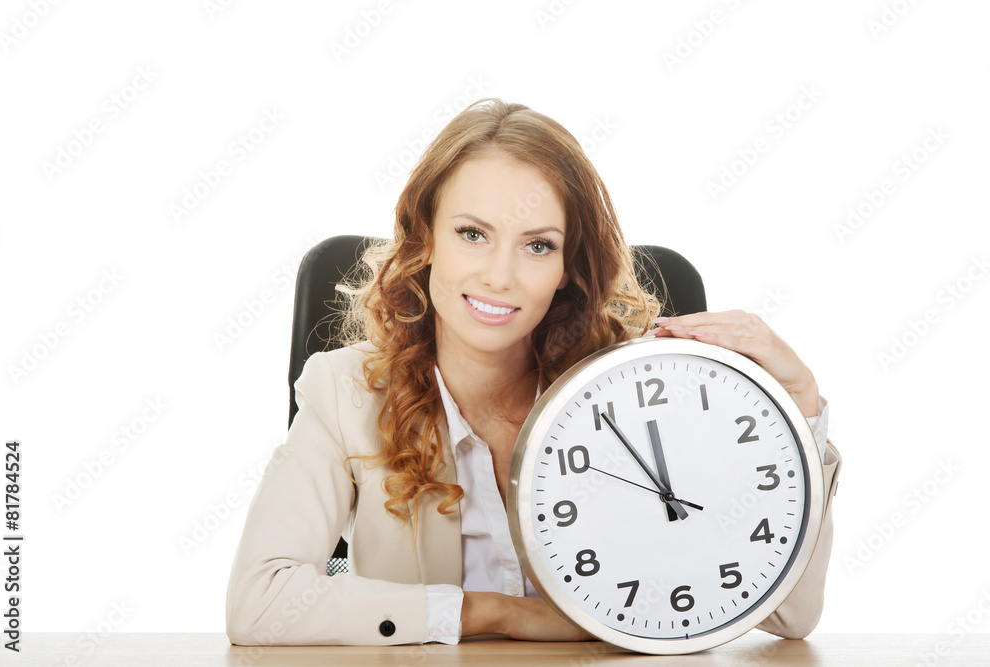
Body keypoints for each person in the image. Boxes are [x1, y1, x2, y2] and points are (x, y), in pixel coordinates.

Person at [225, 98, 842, 646]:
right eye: (472, 233)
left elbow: (788, 617)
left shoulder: (648, 394)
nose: (499, 275)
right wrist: (497, 614)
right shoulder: (344, 390)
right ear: (424, 237)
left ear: (570, 266)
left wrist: (800, 410)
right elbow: (260, 603)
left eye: (538, 245)